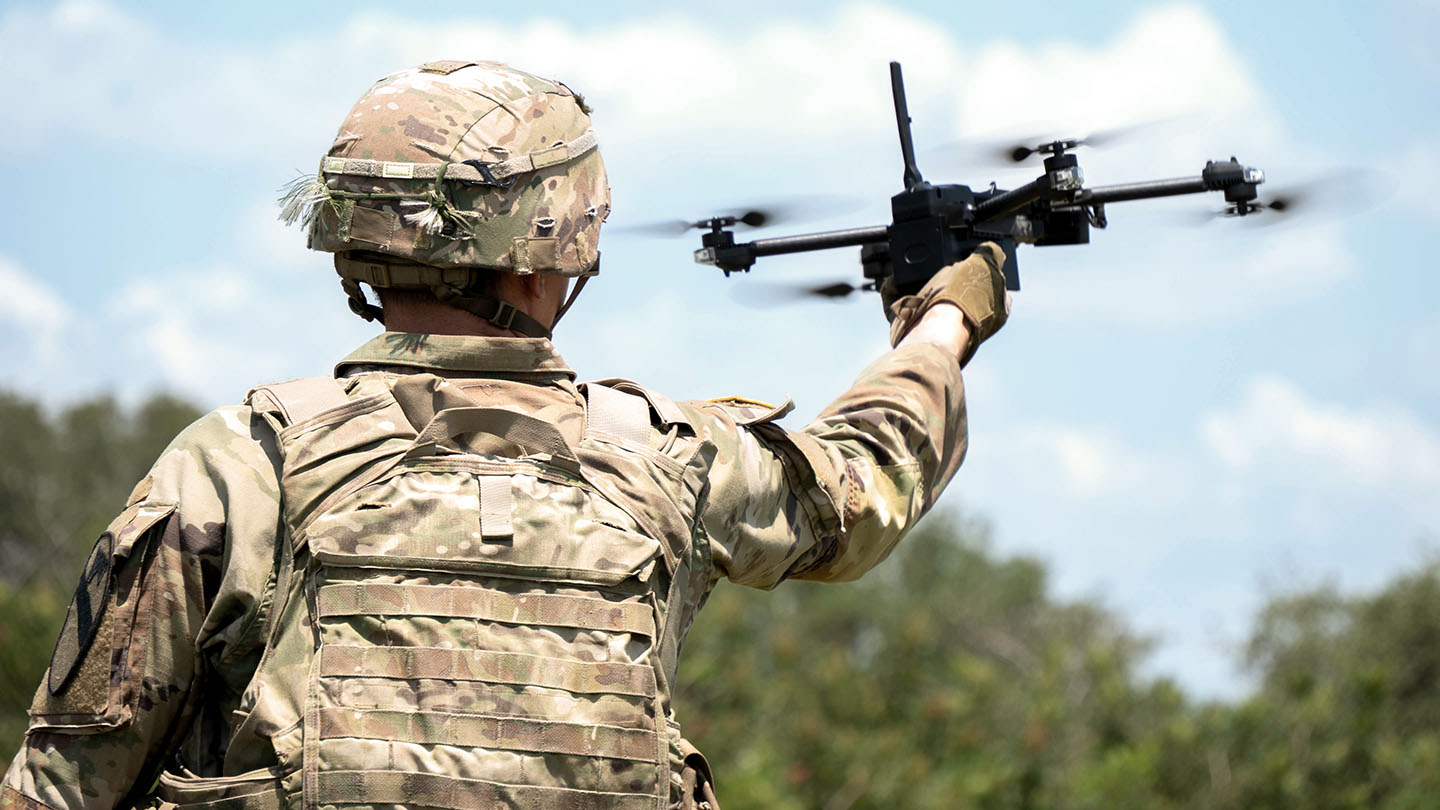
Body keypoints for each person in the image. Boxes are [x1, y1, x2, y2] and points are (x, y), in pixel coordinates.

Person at [1, 60, 1008, 810]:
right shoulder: (670, 462)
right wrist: (943, 315)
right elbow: (865, 482)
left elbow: (64, 784)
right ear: (547, 256)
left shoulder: (241, 464)